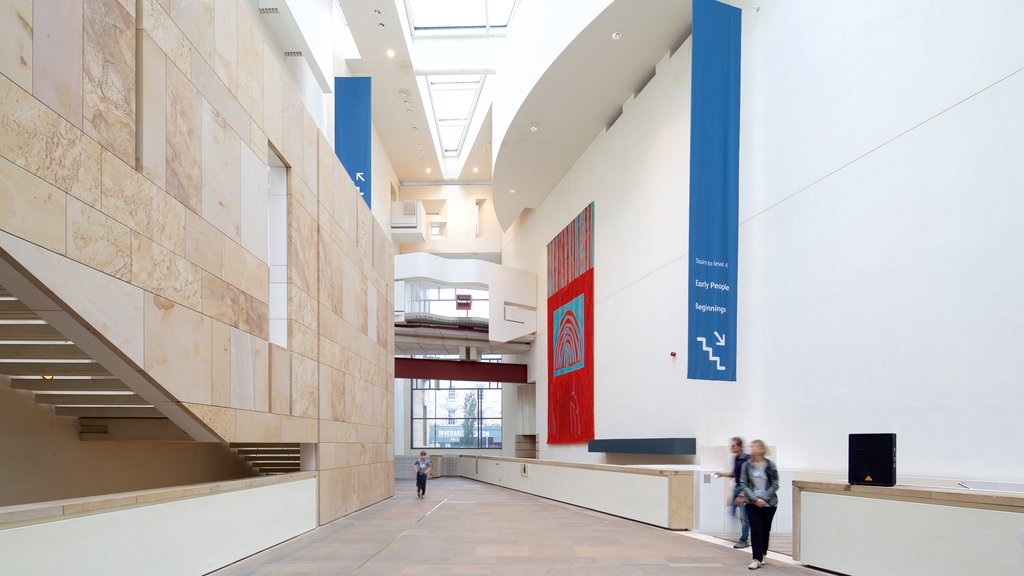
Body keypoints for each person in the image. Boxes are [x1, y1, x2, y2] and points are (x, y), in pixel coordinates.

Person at [739, 439, 780, 570]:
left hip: (769, 504)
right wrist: (755, 499)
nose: (752, 448)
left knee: (765, 530)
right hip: (752, 503)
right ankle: (756, 558)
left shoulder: (770, 465)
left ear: (762, 449)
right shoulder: (747, 465)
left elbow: (775, 484)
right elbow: (743, 484)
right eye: (751, 446)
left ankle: (763, 553)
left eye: (755, 446)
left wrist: (764, 498)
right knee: (755, 530)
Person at [718, 437, 750, 549]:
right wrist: (722, 474)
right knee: (732, 511)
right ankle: (743, 534)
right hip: (736, 488)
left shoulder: (747, 459)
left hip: (743, 489)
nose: (731, 448)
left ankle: (744, 539)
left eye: (733, 446)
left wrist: (742, 494)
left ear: (740, 446)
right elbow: (735, 474)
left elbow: (748, 478)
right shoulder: (735, 458)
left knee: (744, 516)